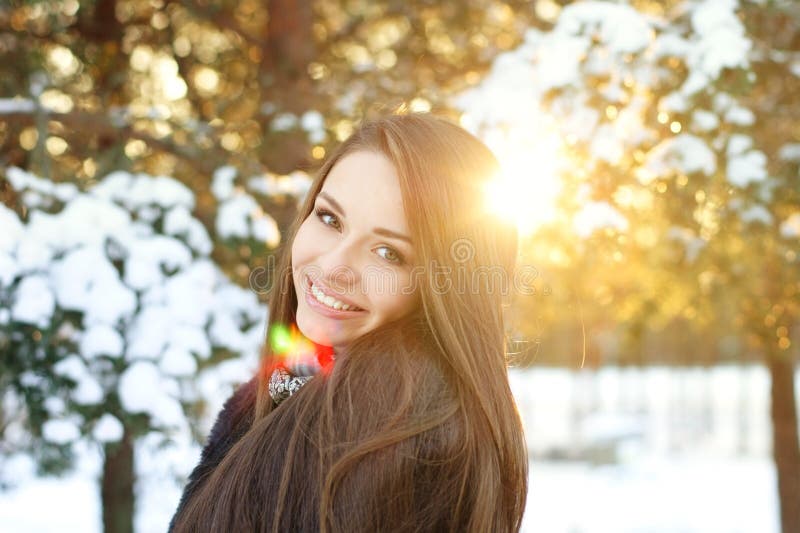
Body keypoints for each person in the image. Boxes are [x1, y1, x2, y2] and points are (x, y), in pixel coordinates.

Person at [169, 113, 528, 532]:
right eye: (329, 219)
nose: (334, 266)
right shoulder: (290, 392)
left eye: (388, 253)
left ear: (446, 288)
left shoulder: (405, 452)